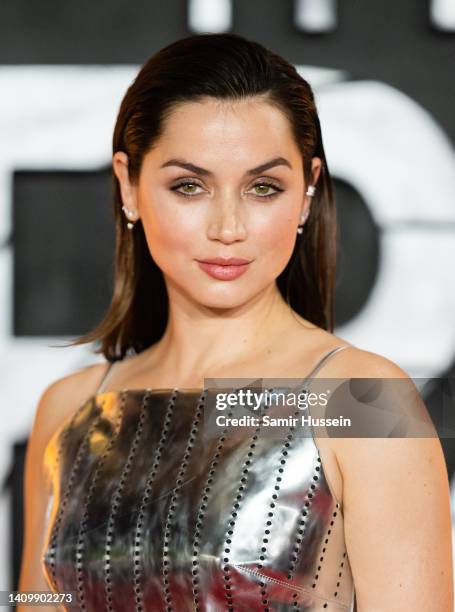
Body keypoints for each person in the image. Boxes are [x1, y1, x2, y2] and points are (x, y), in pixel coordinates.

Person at [18, 32, 453, 611]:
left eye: (263, 187)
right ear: (128, 185)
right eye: (189, 186)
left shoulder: (363, 400)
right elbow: (32, 603)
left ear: (306, 194)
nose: (228, 226)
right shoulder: (67, 409)